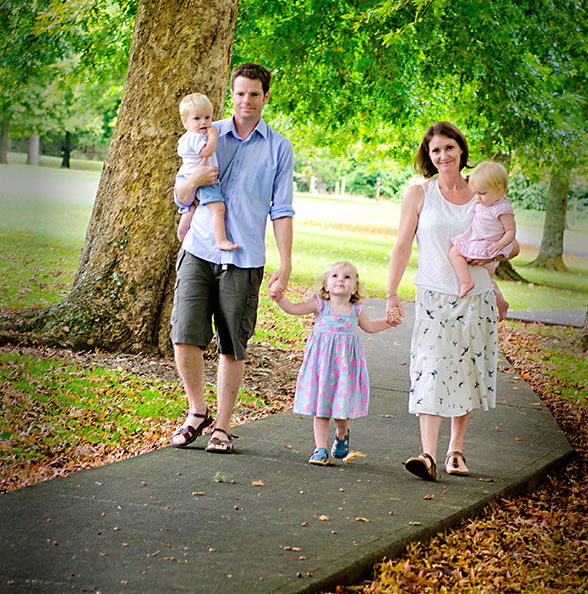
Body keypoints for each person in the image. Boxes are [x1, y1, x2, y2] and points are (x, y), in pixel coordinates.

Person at [169, 62, 295, 454]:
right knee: (183, 335)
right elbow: (181, 193)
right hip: (199, 249)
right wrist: (193, 183)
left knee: (231, 344)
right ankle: (197, 411)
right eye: (239, 93)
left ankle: (222, 426)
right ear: (232, 94)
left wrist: (286, 263)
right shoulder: (207, 131)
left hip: (244, 258)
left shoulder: (279, 147)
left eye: (254, 94)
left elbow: (282, 209)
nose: (245, 100)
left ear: (265, 97)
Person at [385, 122, 520, 480]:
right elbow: (401, 246)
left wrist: (500, 255)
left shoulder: (483, 191)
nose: (443, 155)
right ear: (428, 157)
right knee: (430, 370)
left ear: (461, 150)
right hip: (433, 296)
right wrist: (391, 293)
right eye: (435, 150)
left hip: (476, 298)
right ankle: (427, 455)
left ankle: (455, 451)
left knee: (467, 373)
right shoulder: (419, 194)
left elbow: (511, 238)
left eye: (449, 148)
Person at [272, 261, 397, 465]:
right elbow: (294, 308)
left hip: (345, 368)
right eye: (335, 276)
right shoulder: (320, 305)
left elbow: (370, 326)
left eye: (347, 277)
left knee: (341, 408)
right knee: (321, 408)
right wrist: (280, 298)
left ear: (355, 288)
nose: (340, 280)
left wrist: (388, 322)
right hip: (321, 366)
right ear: (326, 285)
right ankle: (320, 449)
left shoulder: (355, 309)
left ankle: (341, 433)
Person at [175, 93, 237, 251]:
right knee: (218, 209)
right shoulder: (195, 138)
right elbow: (207, 152)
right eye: (196, 119)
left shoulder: (187, 138)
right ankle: (221, 240)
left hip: (187, 176)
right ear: (185, 122)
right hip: (201, 179)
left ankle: (183, 232)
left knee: (193, 207)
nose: (203, 122)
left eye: (208, 117)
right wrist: (213, 135)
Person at [448, 160, 517, 299]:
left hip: (488, 244)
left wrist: (501, 244)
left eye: (482, 193)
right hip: (476, 240)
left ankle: (466, 282)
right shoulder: (483, 203)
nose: (478, 197)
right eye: (475, 193)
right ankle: (497, 299)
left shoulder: (503, 208)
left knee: (455, 252)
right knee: (487, 280)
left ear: (499, 189)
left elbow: (511, 230)